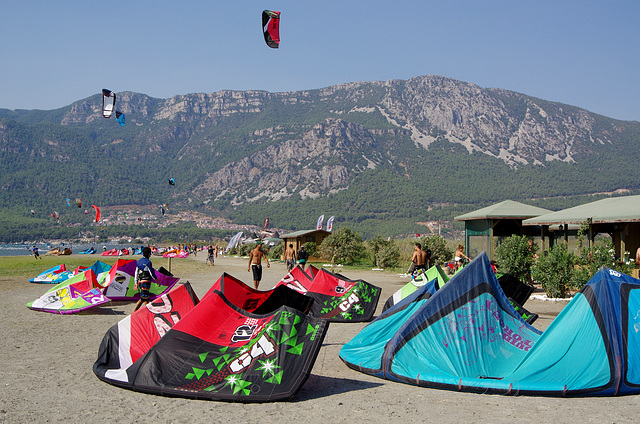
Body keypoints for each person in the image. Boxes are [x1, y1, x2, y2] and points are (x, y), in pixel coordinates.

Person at [133, 247, 157, 311]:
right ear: (149, 254)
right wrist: (157, 280)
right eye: (150, 253)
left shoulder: (139, 262)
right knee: (143, 298)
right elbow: (151, 273)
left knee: (146, 297)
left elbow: (136, 272)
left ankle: (147, 311)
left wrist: (135, 282)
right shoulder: (148, 262)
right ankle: (134, 312)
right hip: (146, 281)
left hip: (140, 281)